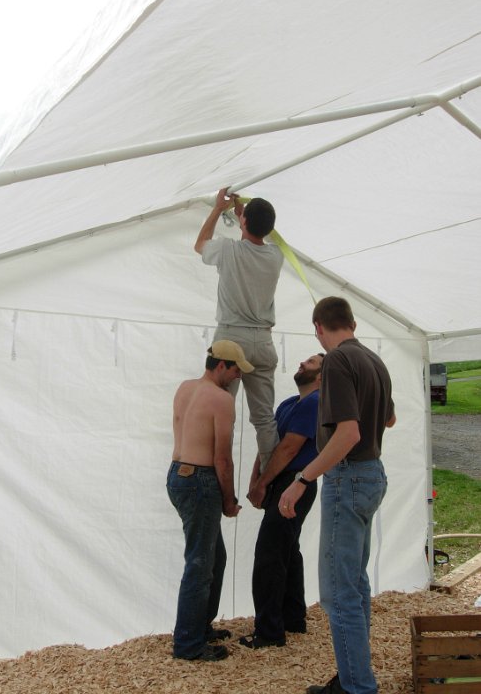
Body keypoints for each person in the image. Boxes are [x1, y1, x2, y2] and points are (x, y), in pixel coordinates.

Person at [279, 297, 396, 694]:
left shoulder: (338, 362)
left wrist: (303, 479)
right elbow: (389, 418)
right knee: (355, 585)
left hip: (348, 477)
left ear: (318, 327)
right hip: (372, 474)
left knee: (338, 592)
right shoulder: (373, 360)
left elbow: (348, 434)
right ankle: (352, 678)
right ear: (352, 323)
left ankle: (357, 687)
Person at [167, 340, 251, 661]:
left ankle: (199, 626)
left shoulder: (185, 388)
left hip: (177, 475)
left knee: (215, 557)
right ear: (222, 366)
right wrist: (229, 500)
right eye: (236, 370)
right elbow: (222, 459)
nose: (238, 376)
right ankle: (188, 644)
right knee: (200, 564)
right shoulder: (221, 399)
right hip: (200, 480)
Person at [194, 187, 284, 473]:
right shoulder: (276, 256)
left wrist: (218, 210)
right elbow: (260, 238)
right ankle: (272, 480)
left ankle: (214, 476)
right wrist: (246, 220)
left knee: (221, 412)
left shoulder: (227, 249)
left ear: (243, 221)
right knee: (264, 419)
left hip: (231, 339)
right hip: (263, 342)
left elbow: (200, 244)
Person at [239, 353, 324, 649]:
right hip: (280, 479)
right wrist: (256, 480)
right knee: (287, 549)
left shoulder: (315, 402)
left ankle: (269, 631)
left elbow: (289, 449)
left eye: (311, 362)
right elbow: (268, 445)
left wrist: (263, 483)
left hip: (296, 482)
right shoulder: (290, 403)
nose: (302, 363)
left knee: (270, 554)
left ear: (321, 376)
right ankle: (292, 618)